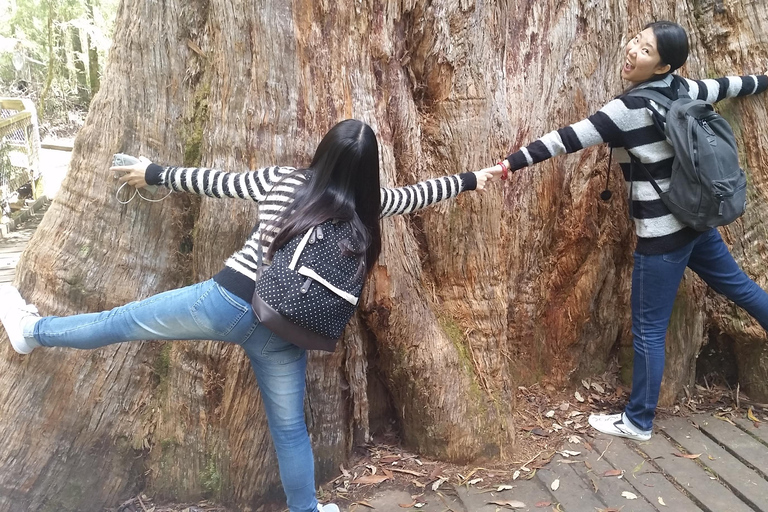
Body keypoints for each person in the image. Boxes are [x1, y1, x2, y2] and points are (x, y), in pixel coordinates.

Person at [0, 119, 494, 512]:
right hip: (285, 331)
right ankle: (306, 509)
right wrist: (477, 178)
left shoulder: (283, 180)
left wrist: (152, 172)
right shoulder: (369, 208)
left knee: (123, 322)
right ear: (369, 173)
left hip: (224, 303)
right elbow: (426, 192)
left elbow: (213, 182)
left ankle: (31, 331)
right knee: (289, 431)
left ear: (322, 153)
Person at [483, 21, 768, 441]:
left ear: (662, 65)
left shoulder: (626, 110)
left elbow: (564, 139)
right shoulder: (685, 89)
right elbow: (727, 85)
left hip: (661, 237)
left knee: (650, 328)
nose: (634, 50)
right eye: (637, 39)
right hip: (696, 223)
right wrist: (763, 80)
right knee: (741, 289)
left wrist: (508, 164)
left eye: (646, 50)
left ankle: (638, 421)